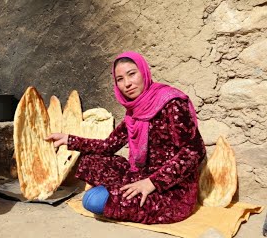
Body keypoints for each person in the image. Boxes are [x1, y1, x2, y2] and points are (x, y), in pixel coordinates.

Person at [46, 51, 206, 224]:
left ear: (144, 72)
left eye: (132, 74)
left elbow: (194, 152)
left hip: (171, 189)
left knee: (94, 201)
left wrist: (152, 183)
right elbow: (108, 145)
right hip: (141, 176)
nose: (127, 84)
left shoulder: (172, 103)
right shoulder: (135, 111)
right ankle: (117, 192)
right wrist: (70, 140)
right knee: (89, 161)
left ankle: (113, 194)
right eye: (120, 79)